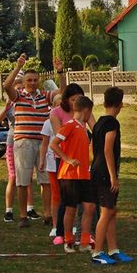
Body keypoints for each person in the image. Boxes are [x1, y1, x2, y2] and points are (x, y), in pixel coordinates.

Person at [3, 53, 66, 228]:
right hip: (23, 142)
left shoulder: (44, 96)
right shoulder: (18, 96)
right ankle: (23, 215)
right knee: (23, 181)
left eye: (35, 80)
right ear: (24, 82)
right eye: (29, 80)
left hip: (42, 142)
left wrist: (60, 72)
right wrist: (17, 68)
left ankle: (47, 214)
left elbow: (62, 92)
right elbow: (6, 85)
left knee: (45, 180)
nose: (32, 83)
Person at [90, 87, 134, 264]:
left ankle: (113, 249)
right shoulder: (112, 123)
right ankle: (97, 252)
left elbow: (93, 147)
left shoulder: (99, 121)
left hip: (97, 170)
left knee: (111, 211)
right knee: (107, 212)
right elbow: (108, 150)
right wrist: (113, 176)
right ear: (120, 104)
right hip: (104, 174)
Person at [49, 83, 96, 245]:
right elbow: (55, 142)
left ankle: (84, 236)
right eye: (73, 98)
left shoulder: (82, 124)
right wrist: (68, 158)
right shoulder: (66, 121)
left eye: (78, 98)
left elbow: (95, 130)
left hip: (83, 170)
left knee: (89, 206)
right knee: (68, 205)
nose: (75, 101)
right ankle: (63, 235)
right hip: (67, 168)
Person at [0, 75, 38, 223]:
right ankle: (9, 210)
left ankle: (30, 208)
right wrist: (5, 111)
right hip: (13, 143)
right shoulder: (9, 106)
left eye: (20, 88)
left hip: (27, 142)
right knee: (13, 177)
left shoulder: (26, 102)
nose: (18, 90)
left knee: (28, 179)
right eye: (16, 88)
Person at [39, 94, 62, 237]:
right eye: (57, 105)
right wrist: (42, 160)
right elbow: (45, 143)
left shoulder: (68, 121)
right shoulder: (48, 123)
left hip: (65, 163)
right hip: (52, 164)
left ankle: (68, 224)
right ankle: (55, 225)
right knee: (56, 195)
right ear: (53, 106)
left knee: (68, 195)